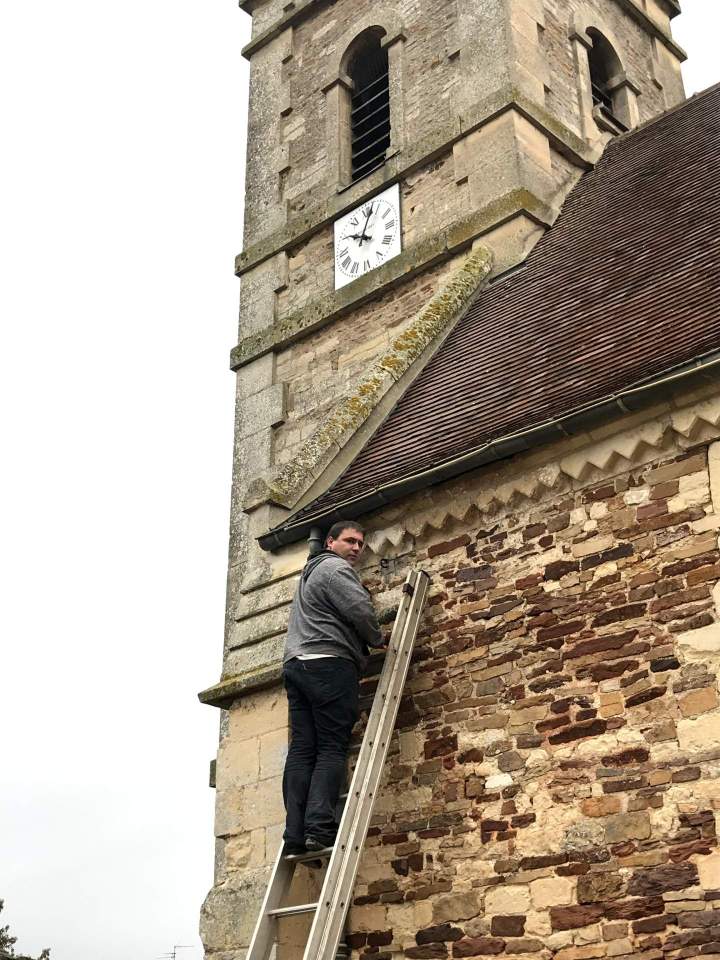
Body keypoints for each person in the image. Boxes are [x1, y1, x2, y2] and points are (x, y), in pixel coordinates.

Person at [281, 520, 383, 854]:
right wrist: (377, 638)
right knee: (330, 746)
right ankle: (319, 828)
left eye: (360, 544)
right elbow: (360, 610)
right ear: (330, 543)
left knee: (302, 749)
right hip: (328, 663)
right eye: (350, 541)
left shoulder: (309, 574)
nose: (356, 548)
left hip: (296, 664)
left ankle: (294, 834)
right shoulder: (336, 570)